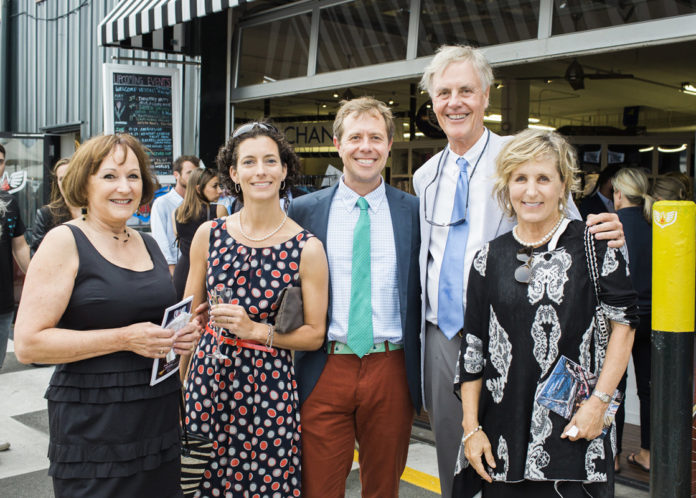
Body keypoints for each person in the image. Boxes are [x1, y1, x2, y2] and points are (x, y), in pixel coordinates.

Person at [412, 44, 625, 497]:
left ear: (487, 95)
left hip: (521, 337)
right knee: (464, 452)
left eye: (466, 90)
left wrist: (611, 233)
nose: (455, 102)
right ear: (432, 101)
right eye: (444, 92)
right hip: (444, 332)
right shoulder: (424, 175)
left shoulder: (520, 154)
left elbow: (566, 227)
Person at [13, 133, 201, 497]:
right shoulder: (64, 241)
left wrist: (178, 335)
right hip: (95, 426)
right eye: (110, 176)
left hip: (157, 416)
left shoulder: (147, 242)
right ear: (85, 182)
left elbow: (151, 323)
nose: (125, 187)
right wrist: (123, 338)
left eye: (133, 176)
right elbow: (28, 345)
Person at [455, 128, 637, 497]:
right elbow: (473, 350)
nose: (531, 191)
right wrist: (471, 429)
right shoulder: (487, 259)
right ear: (506, 186)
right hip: (500, 439)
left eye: (543, 178)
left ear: (564, 184)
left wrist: (598, 405)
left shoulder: (597, 245)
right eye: (520, 178)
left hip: (576, 430)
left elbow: (625, 325)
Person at [180, 121, 329, 497]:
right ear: (233, 172)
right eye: (249, 162)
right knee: (198, 482)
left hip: (269, 386)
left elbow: (314, 335)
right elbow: (187, 317)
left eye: (269, 161)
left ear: (284, 170)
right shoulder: (208, 234)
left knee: (266, 485)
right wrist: (182, 383)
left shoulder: (306, 248)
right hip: (207, 382)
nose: (260, 171)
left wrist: (255, 331)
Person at [289, 97, 422, 498]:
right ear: (338, 143)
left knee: (383, 488)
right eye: (356, 137)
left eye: (376, 137)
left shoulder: (415, 212)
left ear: (390, 145)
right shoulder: (302, 210)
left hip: (391, 366)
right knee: (320, 487)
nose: (366, 146)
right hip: (324, 364)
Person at [612, 168, 653, 474]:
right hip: (654, 319)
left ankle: (612, 455)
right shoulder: (659, 226)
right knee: (649, 390)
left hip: (619, 321)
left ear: (619, 194)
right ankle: (647, 453)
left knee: (615, 387)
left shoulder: (613, 227)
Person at [172, 168, 221, 299]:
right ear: (199, 189)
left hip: (182, 273)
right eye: (215, 186)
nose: (220, 190)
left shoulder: (177, 213)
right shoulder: (219, 211)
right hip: (207, 274)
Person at [151, 155, 200, 274]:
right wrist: (171, 269)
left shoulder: (199, 204)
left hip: (197, 267)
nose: (193, 177)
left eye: (195, 173)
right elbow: (160, 239)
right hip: (174, 268)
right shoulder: (162, 203)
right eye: (189, 173)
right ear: (176, 175)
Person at [0, 185, 30, 370]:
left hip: (3, 302)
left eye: (1, 161)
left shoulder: (9, 202)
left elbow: (19, 246)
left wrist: (37, 279)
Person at [30, 158, 81, 255]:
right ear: (57, 183)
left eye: (70, 177)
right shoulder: (47, 214)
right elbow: (37, 255)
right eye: (61, 179)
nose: (66, 182)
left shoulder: (96, 211)